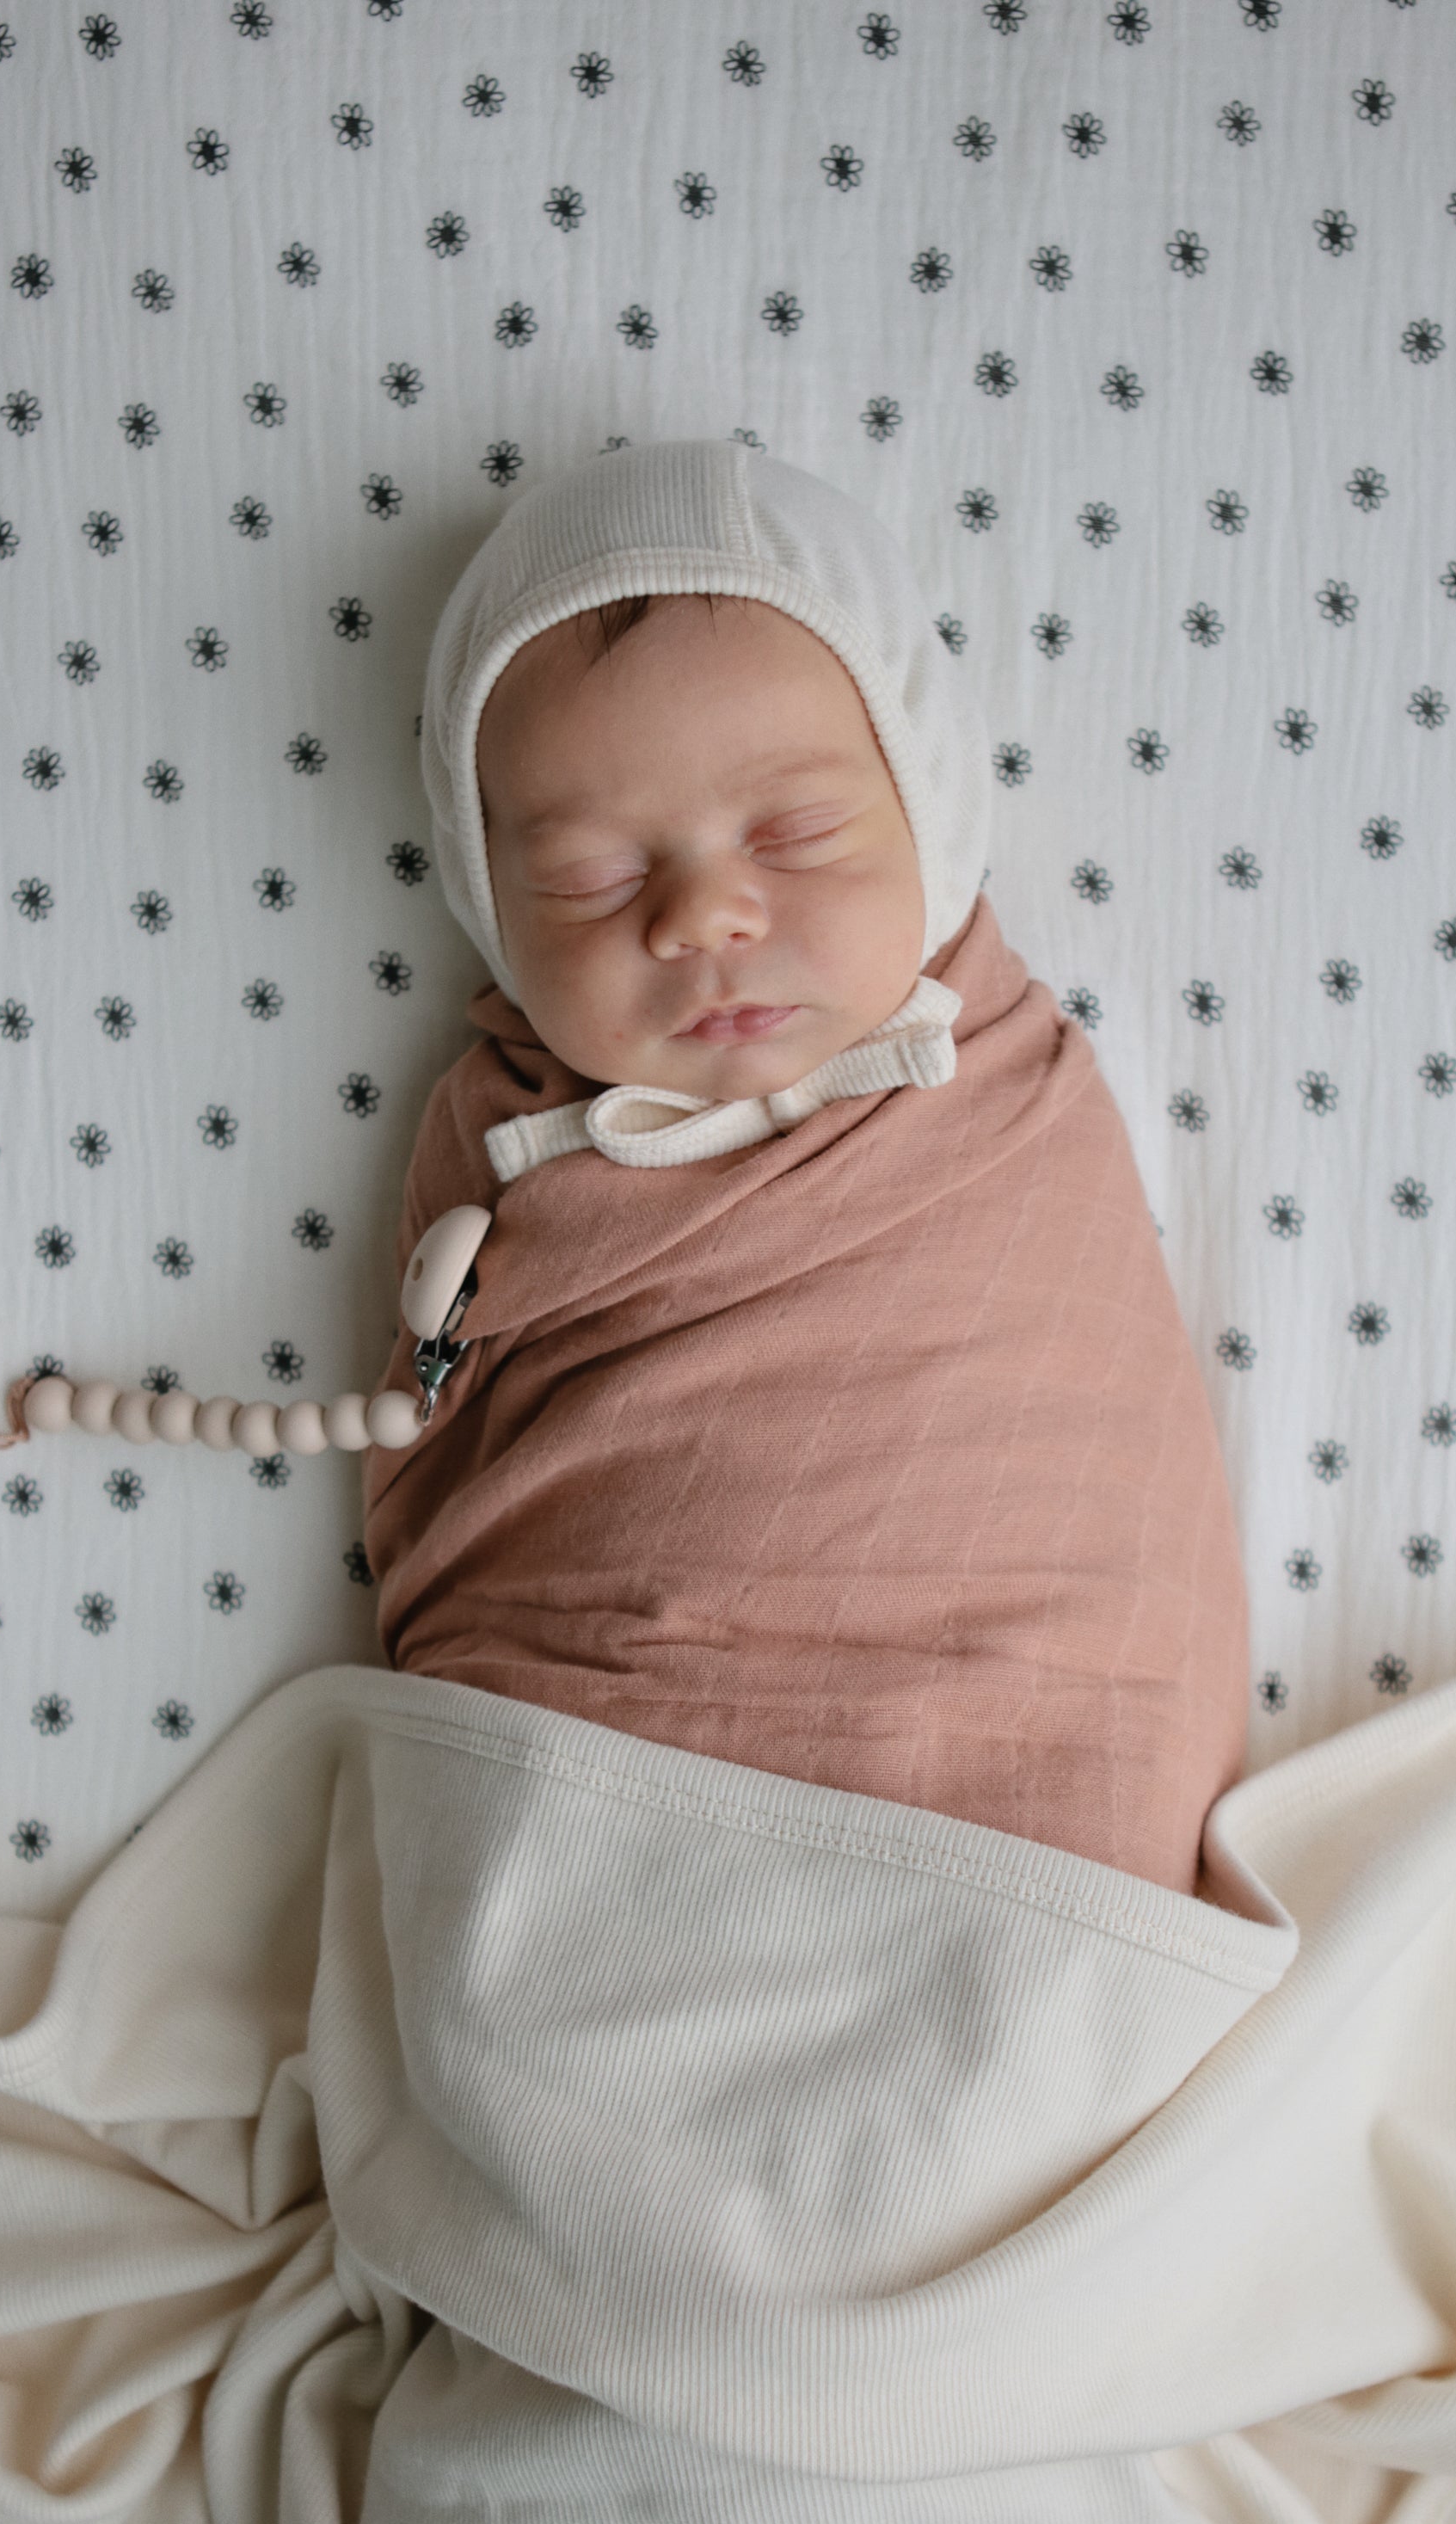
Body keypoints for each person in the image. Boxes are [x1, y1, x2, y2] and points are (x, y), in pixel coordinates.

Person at [364, 437, 1252, 1897]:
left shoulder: (1009, 1105)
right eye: (590, 875)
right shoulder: (495, 1153)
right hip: (606, 1817)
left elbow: (1099, 1477)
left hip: (1025, 1823)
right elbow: (440, 1486)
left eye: (798, 831)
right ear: (484, 895)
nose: (705, 913)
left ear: (928, 802)